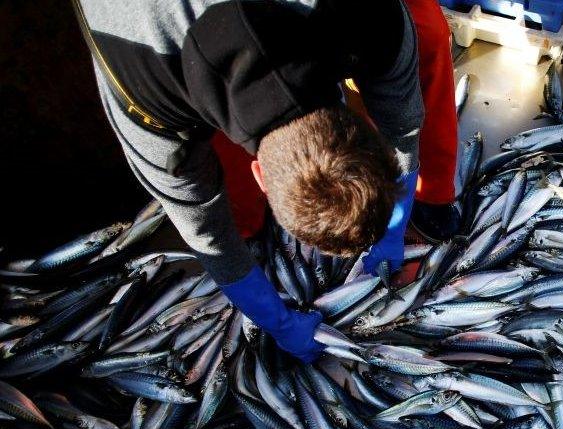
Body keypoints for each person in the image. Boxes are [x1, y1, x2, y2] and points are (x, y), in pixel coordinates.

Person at [73, 0, 460, 363]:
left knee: (423, 29)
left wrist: (393, 227)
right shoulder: (146, 102)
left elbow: (403, 126)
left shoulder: (371, 16)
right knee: (215, 196)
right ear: (258, 173)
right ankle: (251, 226)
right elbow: (207, 236)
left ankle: (435, 196)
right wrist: (277, 322)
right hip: (145, 29)